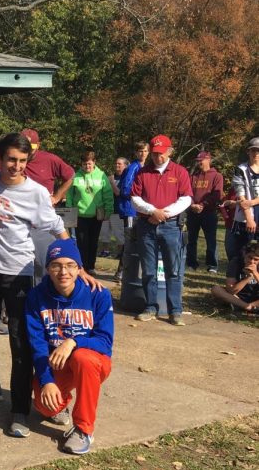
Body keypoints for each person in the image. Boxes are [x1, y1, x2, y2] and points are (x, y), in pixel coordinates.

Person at [0, 132, 82, 440]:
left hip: (19, 272)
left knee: (20, 341)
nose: (15, 167)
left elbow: (58, 228)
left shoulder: (35, 193)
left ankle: (19, 409)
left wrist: (79, 266)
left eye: (21, 161)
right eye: (10, 159)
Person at [25, 239, 113, 454]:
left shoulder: (98, 294)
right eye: (56, 265)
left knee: (83, 357)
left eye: (70, 265)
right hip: (57, 364)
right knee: (46, 407)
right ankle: (62, 403)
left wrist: (73, 341)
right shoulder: (36, 296)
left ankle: (83, 429)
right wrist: (46, 381)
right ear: (47, 269)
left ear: (79, 269)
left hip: (92, 362)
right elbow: (36, 344)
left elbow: (104, 341)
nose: (63, 271)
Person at [131, 134, 193, 326]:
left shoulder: (180, 171)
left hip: (171, 226)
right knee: (149, 269)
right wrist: (152, 211)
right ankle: (150, 307)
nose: (158, 157)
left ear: (169, 151)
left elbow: (186, 198)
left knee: (173, 270)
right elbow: (135, 198)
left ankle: (175, 310)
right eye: (155, 154)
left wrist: (163, 214)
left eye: (161, 153)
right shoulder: (143, 172)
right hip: (146, 225)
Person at [20, 129, 75, 279]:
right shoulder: (16, 160)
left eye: (31, 148)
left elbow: (70, 175)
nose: (28, 152)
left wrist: (57, 196)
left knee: (44, 264)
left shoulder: (50, 159)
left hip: (44, 222)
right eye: (25, 146)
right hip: (20, 222)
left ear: (38, 145)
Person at [67, 148, 113, 275]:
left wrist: (108, 211)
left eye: (89, 163)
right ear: (81, 164)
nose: (87, 166)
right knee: (82, 243)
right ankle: (82, 266)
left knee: (93, 242)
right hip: (80, 215)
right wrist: (70, 211)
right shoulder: (76, 176)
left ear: (94, 163)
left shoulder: (102, 175)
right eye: (84, 163)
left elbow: (108, 194)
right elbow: (70, 194)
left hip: (96, 215)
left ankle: (91, 266)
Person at [116, 141, 150, 281]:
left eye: (145, 151)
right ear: (136, 153)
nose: (143, 154)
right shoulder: (133, 167)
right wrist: (140, 195)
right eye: (140, 151)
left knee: (136, 241)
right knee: (129, 241)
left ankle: (132, 271)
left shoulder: (146, 167)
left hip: (140, 211)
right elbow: (125, 189)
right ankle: (121, 272)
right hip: (130, 210)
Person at [186, 151, 224, 273]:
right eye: (197, 161)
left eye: (201, 160)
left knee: (211, 240)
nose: (199, 163)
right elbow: (188, 192)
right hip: (193, 213)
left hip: (209, 213)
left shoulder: (217, 176)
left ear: (208, 160)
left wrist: (202, 205)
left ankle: (212, 265)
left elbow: (216, 195)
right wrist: (192, 205)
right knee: (191, 239)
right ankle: (191, 263)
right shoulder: (193, 176)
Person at [228, 137, 259, 259]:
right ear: (248, 152)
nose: (256, 153)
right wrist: (249, 219)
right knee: (242, 252)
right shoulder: (240, 169)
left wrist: (252, 202)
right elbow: (241, 196)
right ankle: (240, 277)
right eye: (253, 150)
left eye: (258, 150)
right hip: (244, 219)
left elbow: (247, 202)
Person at [210, 241, 259, 315]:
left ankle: (243, 306)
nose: (252, 262)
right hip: (237, 297)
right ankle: (247, 307)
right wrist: (248, 278)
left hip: (256, 298)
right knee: (216, 289)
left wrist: (255, 273)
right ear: (244, 255)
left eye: (256, 260)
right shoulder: (236, 262)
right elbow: (231, 291)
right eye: (249, 257)